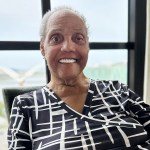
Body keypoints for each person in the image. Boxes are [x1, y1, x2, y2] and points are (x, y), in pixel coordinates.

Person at [8, 7, 150, 150]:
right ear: (42, 47)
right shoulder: (25, 105)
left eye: (78, 38)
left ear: (87, 46)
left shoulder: (118, 90)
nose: (68, 47)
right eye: (56, 38)